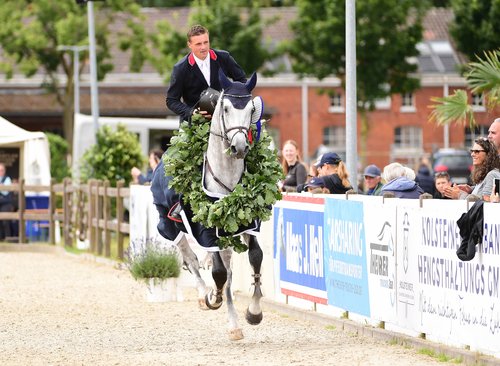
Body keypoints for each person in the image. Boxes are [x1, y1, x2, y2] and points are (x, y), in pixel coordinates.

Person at [166, 24, 247, 122]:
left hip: (224, 119)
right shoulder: (180, 68)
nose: (203, 47)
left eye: (206, 42)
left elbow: (242, 80)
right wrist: (192, 112)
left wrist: (231, 100)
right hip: (194, 124)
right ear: (189, 45)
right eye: (198, 44)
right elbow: (171, 100)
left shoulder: (224, 57)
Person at [0, 163, 14, 240]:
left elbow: (5, 191)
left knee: (5, 220)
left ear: (4, 171)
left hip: (6, 203)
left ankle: (7, 237)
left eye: (1, 170)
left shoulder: (7, 179)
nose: (0, 172)